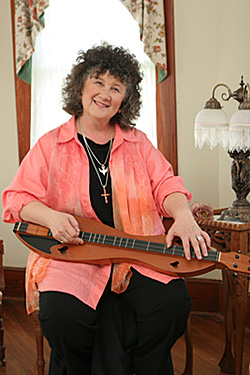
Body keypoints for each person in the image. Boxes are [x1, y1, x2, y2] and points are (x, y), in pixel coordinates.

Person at [2, 43, 210, 375]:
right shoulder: (50, 144)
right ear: (80, 86)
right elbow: (16, 199)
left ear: (125, 98)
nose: (105, 93)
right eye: (98, 82)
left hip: (136, 251)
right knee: (60, 313)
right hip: (73, 251)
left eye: (116, 87)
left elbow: (166, 185)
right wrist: (52, 217)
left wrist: (183, 215)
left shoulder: (137, 142)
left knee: (173, 304)